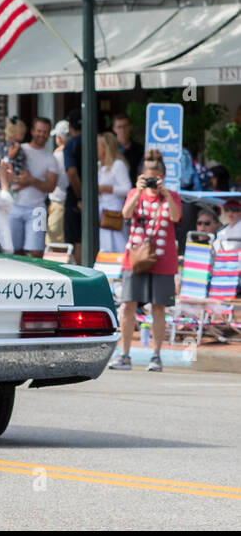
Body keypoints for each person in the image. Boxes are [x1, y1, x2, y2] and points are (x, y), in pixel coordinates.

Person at [110, 149, 182, 372]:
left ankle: (156, 356)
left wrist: (166, 193)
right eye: (149, 175)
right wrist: (139, 192)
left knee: (158, 308)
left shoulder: (172, 196)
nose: (152, 180)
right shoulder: (134, 192)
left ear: (162, 177)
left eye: (156, 177)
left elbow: (176, 217)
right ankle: (124, 355)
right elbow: (125, 214)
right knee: (128, 305)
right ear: (142, 175)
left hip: (163, 260)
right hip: (135, 258)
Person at [0, 117, 59, 257]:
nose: (42, 134)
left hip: (37, 209)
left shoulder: (50, 158)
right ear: (32, 131)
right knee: (14, 250)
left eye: (45, 132)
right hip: (14, 206)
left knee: (37, 251)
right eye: (39, 130)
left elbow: (51, 186)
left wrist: (30, 180)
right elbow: (3, 171)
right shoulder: (19, 148)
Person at [95, 131, 133, 255]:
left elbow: (127, 189)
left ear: (105, 148)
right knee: (103, 245)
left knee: (116, 243)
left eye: (98, 145)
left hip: (113, 213)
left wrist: (108, 189)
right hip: (100, 211)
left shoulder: (118, 165)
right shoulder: (98, 165)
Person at [61, 113, 84, 261]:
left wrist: (80, 196)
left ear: (70, 127)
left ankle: (83, 272)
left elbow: (72, 173)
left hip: (77, 197)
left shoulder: (70, 145)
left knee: (77, 240)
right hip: (97, 194)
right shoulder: (96, 141)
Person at [46, 120, 70, 246]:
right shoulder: (72, 152)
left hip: (59, 200)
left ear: (59, 138)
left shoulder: (58, 155)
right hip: (64, 200)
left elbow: (57, 179)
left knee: (54, 239)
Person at [111, 113, 144, 178]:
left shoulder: (140, 149)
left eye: (125, 126)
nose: (123, 130)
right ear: (114, 129)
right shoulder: (110, 149)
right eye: (119, 127)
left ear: (130, 127)